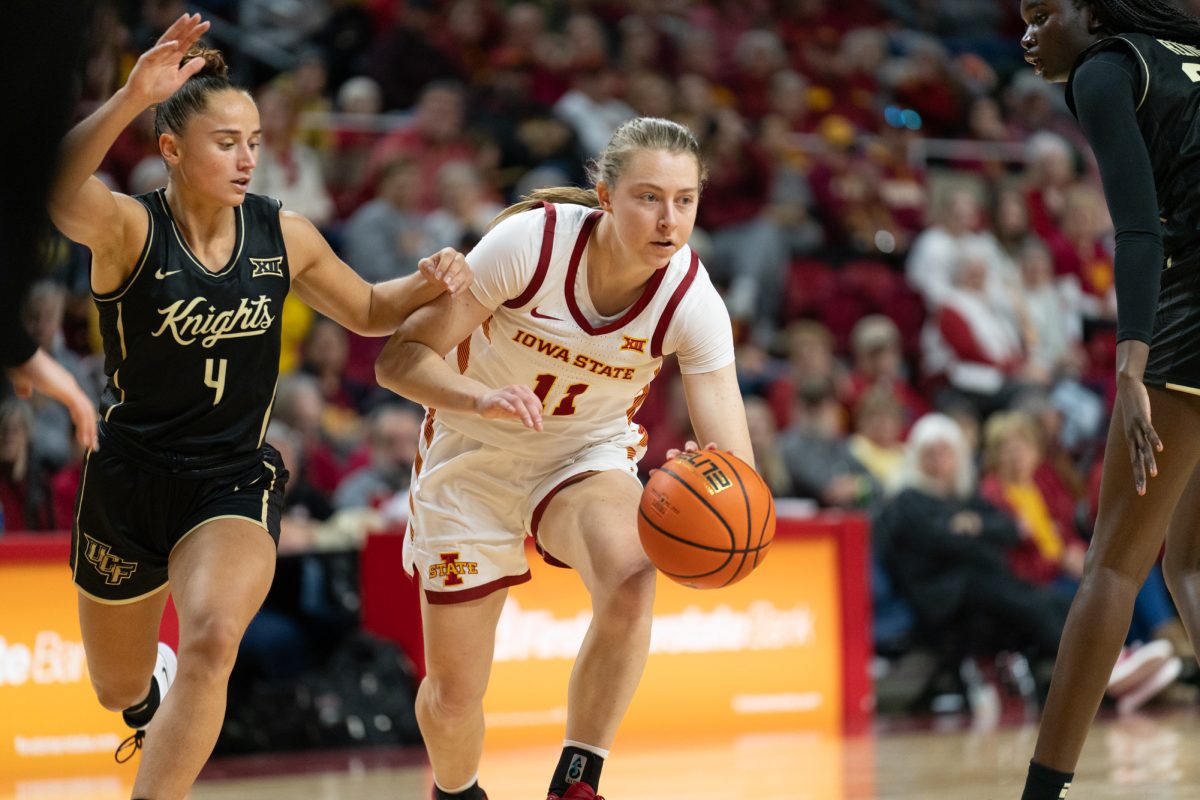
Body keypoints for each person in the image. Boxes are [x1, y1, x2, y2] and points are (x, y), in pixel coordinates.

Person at [47, 15, 470, 800]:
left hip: (231, 481)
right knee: (114, 688)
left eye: (254, 140)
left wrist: (432, 276)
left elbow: (374, 310)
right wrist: (133, 95)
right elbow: (55, 189)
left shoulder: (286, 233)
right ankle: (147, 696)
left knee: (212, 641)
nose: (246, 157)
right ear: (171, 149)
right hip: (128, 483)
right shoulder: (130, 229)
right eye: (224, 141)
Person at [375, 116, 753, 800]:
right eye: (648, 197)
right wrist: (477, 398)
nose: (669, 219)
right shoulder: (531, 245)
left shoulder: (692, 299)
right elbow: (399, 360)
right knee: (455, 698)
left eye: (685, 200)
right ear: (605, 196)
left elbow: (736, 463)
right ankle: (455, 792)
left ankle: (577, 783)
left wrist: (718, 488)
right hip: (472, 454)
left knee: (633, 575)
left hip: (582, 452)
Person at [1017, 2, 1200, 797]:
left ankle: (1039, 794)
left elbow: (1138, 232)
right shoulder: (1189, 53)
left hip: (1188, 313)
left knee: (1114, 570)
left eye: (1037, 14)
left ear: (1088, 12)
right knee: (1191, 561)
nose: (1025, 35)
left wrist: (1131, 372)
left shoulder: (1108, 68)